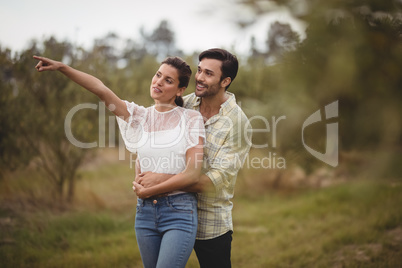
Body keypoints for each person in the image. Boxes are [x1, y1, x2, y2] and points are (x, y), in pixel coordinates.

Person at [33, 55, 205, 268]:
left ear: (180, 90)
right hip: (145, 214)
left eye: (168, 80)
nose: (158, 82)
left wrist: (154, 186)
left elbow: (193, 173)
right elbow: (101, 89)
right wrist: (63, 68)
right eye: (158, 75)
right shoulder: (138, 116)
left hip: (179, 212)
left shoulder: (191, 119)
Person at [133, 48, 252, 268]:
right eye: (199, 70)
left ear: (225, 81)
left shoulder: (238, 123)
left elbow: (215, 180)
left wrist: (159, 180)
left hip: (211, 222)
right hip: (169, 212)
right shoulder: (184, 104)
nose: (199, 77)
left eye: (208, 73)